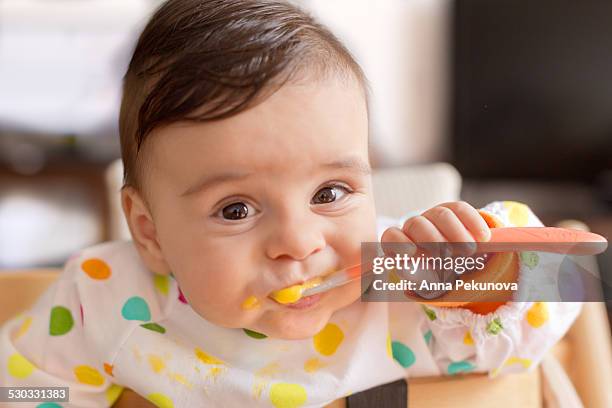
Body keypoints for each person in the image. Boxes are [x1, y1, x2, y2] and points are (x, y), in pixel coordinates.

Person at [0, 1, 580, 406]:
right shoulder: (104, 299)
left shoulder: (409, 275)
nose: (299, 243)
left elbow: (565, 286)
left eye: (330, 193)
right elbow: (21, 388)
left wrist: (477, 280)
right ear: (150, 234)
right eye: (236, 210)